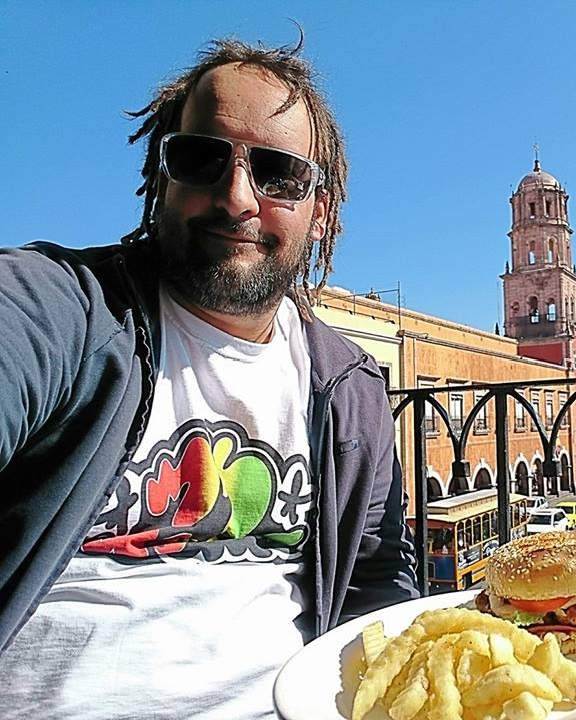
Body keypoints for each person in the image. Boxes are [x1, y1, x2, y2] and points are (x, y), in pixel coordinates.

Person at [0, 32, 418, 718]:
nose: (237, 198)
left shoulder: (351, 390)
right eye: (202, 158)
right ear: (162, 176)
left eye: (278, 173)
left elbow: (376, 584)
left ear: (322, 212)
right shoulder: (62, 309)